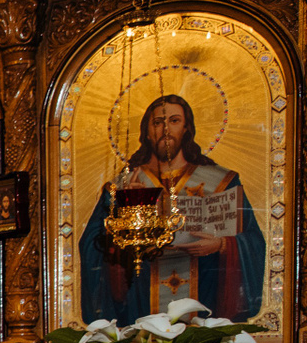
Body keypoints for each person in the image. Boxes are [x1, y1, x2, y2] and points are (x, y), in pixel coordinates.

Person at [78, 93, 266, 324]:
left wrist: (221, 245)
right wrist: (128, 210)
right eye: (158, 122)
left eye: (174, 121)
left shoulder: (221, 182)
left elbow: (253, 240)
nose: (165, 129)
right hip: (141, 306)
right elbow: (92, 246)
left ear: (186, 128)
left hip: (205, 300)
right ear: (147, 131)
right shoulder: (122, 186)